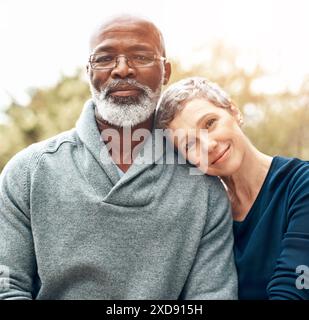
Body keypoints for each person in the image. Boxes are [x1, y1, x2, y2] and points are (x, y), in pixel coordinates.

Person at [0, 16, 237, 299]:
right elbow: (7, 285)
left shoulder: (203, 186)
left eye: (140, 56)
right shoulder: (28, 172)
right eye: (104, 58)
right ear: (89, 72)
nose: (122, 69)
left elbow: (211, 296)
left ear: (166, 71)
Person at [156, 77, 309, 300]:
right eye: (190, 144)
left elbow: (295, 288)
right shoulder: (208, 217)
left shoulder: (301, 184)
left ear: (233, 111)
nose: (208, 145)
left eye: (210, 123)